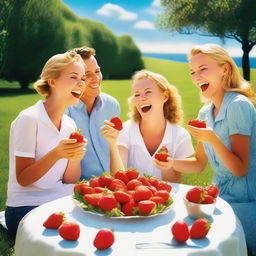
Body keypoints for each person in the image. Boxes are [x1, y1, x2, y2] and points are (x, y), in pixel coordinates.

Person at [168, 44, 256, 255]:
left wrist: (213, 139)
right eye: (193, 72)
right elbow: (199, 164)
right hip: (219, 199)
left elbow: (240, 169)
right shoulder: (205, 112)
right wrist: (169, 162)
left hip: (246, 204)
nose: (197, 76)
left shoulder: (238, 105)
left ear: (224, 69)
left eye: (203, 69)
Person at [5, 51, 87, 239]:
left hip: (59, 199)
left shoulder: (70, 124)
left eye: (83, 78)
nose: (81, 83)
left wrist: (74, 158)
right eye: (73, 77)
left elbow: (70, 179)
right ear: (53, 81)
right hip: (25, 206)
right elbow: (24, 179)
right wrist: (56, 153)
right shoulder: (29, 118)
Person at [102, 69, 194, 182]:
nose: (141, 98)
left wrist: (166, 165)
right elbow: (118, 178)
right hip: (132, 196)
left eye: (148, 92)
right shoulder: (125, 131)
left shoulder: (180, 135)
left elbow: (173, 183)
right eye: (137, 94)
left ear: (164, 97)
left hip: (163, 197)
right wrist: (112, 143)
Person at [66, 47, 120, 180]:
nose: (96, 79)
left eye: (97, 71)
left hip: (111, 183)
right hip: (78, 187)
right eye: (87, 75)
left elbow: (114, 149)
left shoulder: (112, 105)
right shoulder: (64, 111)